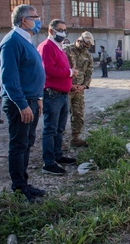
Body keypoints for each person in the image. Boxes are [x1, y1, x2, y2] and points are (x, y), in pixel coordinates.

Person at [0, 4, 46, 202]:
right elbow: (9, 78)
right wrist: (22, 104)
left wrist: (38, 99)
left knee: (27, 143)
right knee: (19, 145)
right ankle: (19, 188)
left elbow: (30, 72)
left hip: (32, 100)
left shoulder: (26, 40)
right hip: (21, 103)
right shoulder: (11, 42)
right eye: (35, 17)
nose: (38, 20)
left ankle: (24, 183)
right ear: (24, 19)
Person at [37, 19, 78, 176]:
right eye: (60, 29)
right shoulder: (47, 47)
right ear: (51, 31)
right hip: (52, 94)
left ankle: (57, 156)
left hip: (62, 94)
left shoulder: (58, 47)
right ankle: (48, 162)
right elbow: (48, 70)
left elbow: (59, 67)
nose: (63, 33)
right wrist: (69, 73)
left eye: (64, 30)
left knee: (59, 128)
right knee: (50, 129)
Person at [64, 31, 94, 147]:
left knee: (78, 114)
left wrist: (84, 86)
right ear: (78, 40)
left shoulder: (87, 55)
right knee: (61, 116)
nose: (85, 48)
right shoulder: (66, 51)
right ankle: (59, 141)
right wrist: (69, 85)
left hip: (79, 90)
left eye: (88, 46)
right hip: (66, 88)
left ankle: (75, 138)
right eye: (84, 45)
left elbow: (89, 72)